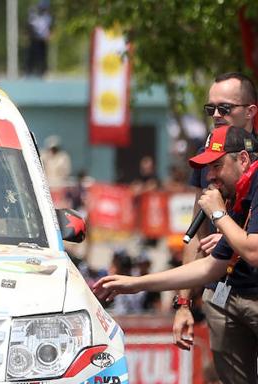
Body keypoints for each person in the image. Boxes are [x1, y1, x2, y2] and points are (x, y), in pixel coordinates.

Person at [94, 125, 258, 384]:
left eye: (217, 166)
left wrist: (218, 214)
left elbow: (253, 252)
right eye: (208, 169)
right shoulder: (237, 195)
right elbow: (210, 267)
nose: (210, 177)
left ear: (243, 159)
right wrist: (135, 284)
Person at [173, 72, 258, 354]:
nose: (217, 115)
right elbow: (197, 234)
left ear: (250, 111)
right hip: (223, 291)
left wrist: (227, 234)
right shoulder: (207, 153)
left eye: (225, 108)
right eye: (211, 109)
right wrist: (183, 303)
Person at [25, 0, 53, 76]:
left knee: (42, 56)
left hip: (42, 40)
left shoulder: (48, 17)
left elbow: (50, 27)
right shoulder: (33, 15)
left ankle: (42, 71)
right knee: (31, 55)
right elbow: (29, 26)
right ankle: (29, 71)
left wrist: (48, 35)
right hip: (34, 39)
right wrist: (30, 35)